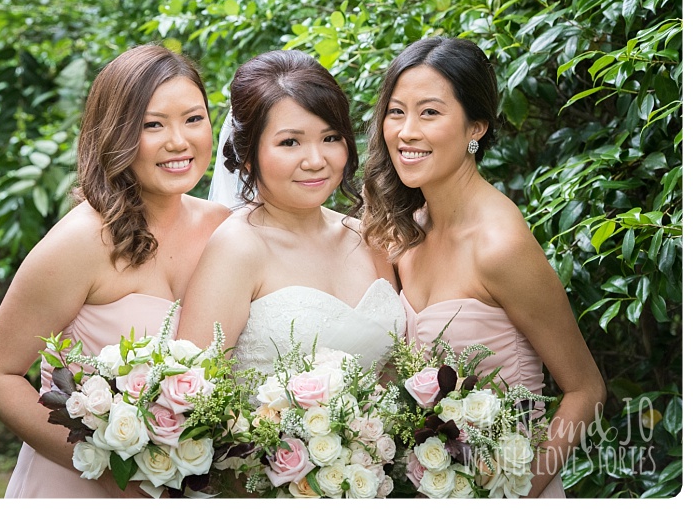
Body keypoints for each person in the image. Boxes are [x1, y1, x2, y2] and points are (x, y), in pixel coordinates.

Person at [0, 43, 230, 498]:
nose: (179, 141)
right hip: (77, 485)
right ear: (116, 133)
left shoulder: (224, 229)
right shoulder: (83, 241)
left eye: (193, 118)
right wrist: (106, 467)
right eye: (152, 125)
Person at [361, 36, 606, 498]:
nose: (407, 131)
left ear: (476, 126)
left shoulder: (500, 245)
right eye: (397, 112)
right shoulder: (406, 233)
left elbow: (586, 391)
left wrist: (514, 492)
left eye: (429, 112)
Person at [176, 49, 406, 379]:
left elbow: (391, 373)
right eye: (290, 143)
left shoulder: (369, 238)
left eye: (330, 138)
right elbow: (194, 389)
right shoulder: (237, 248)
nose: (315, 160)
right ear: (249, 155)